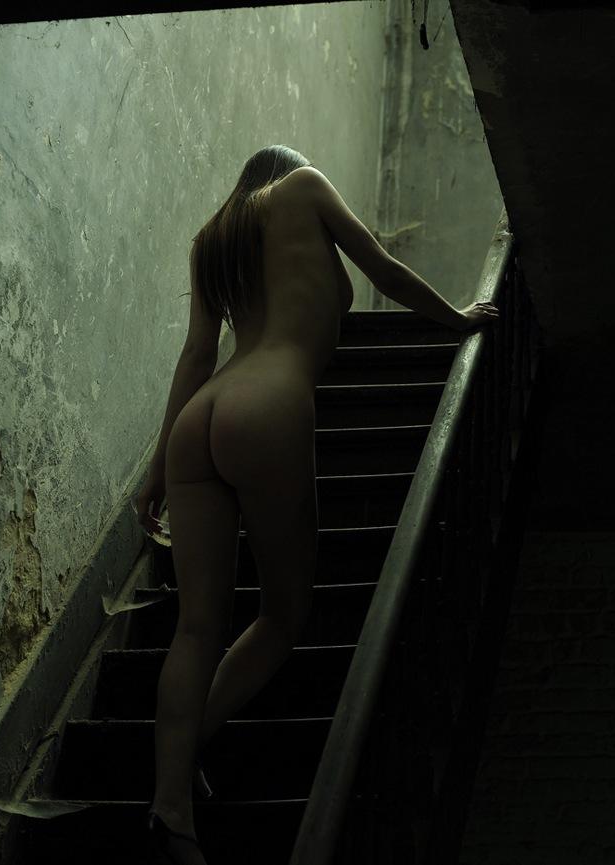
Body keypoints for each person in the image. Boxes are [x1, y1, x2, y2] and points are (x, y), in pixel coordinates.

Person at [129, 144, 499, 864]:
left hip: (200, 418)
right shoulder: (304, 185)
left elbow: (197, 355)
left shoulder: (213, 238)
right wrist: (457, 318)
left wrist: (155, 473)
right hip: (267, 405)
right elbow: (382, 270)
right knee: (281, 615)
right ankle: (181, 765)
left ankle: (170, 800)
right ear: (286, 168)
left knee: (196, 627)